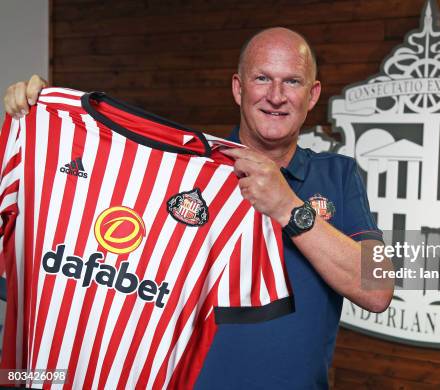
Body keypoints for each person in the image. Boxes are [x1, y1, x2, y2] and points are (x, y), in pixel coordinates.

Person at [3, 27, 393, 389]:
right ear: (238, 88)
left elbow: (377, 291)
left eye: (292, 81)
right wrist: (47, 124)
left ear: (312, 94)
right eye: (262, 78)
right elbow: (93, 250)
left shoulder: (338, 175)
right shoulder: (188, 174)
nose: (276, 95)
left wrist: (289, 208)